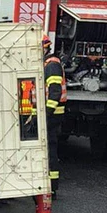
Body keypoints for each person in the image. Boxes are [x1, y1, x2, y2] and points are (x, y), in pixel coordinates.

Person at [43, 35, 67, 197]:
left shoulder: (52, 65)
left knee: (49, 149)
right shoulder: (48, 63)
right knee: (47, 149)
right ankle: (49, 185)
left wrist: (46, 113)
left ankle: (51, 186)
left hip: (51, 115)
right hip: (51, 114)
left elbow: (55, 92)